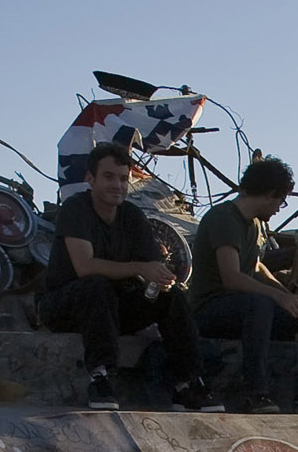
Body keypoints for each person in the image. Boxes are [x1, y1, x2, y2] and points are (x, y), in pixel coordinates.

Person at [40, 142, 210, 409]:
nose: (117, 185)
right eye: (108, 177)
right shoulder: (76, 208)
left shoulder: (132, 215)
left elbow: (152, 264)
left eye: (122, 178)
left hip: (113, 309)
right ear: (90, 178)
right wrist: (139, 268)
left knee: (172, 298)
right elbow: (85, 266)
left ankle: (188, 382)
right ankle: (101, 377)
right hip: (66, 306)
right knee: (96, 285)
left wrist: (160, 278)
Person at [189, 156, 298, 413]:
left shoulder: (255, 224)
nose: (280, 208)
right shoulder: (223, 218)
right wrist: (277, 298)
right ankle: (255, 393)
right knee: (259, 304)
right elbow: (232, 277)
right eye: (281, 201)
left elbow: (256, 267)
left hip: (251, 309)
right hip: (211, 309)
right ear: (270, 194)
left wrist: (288, 295)